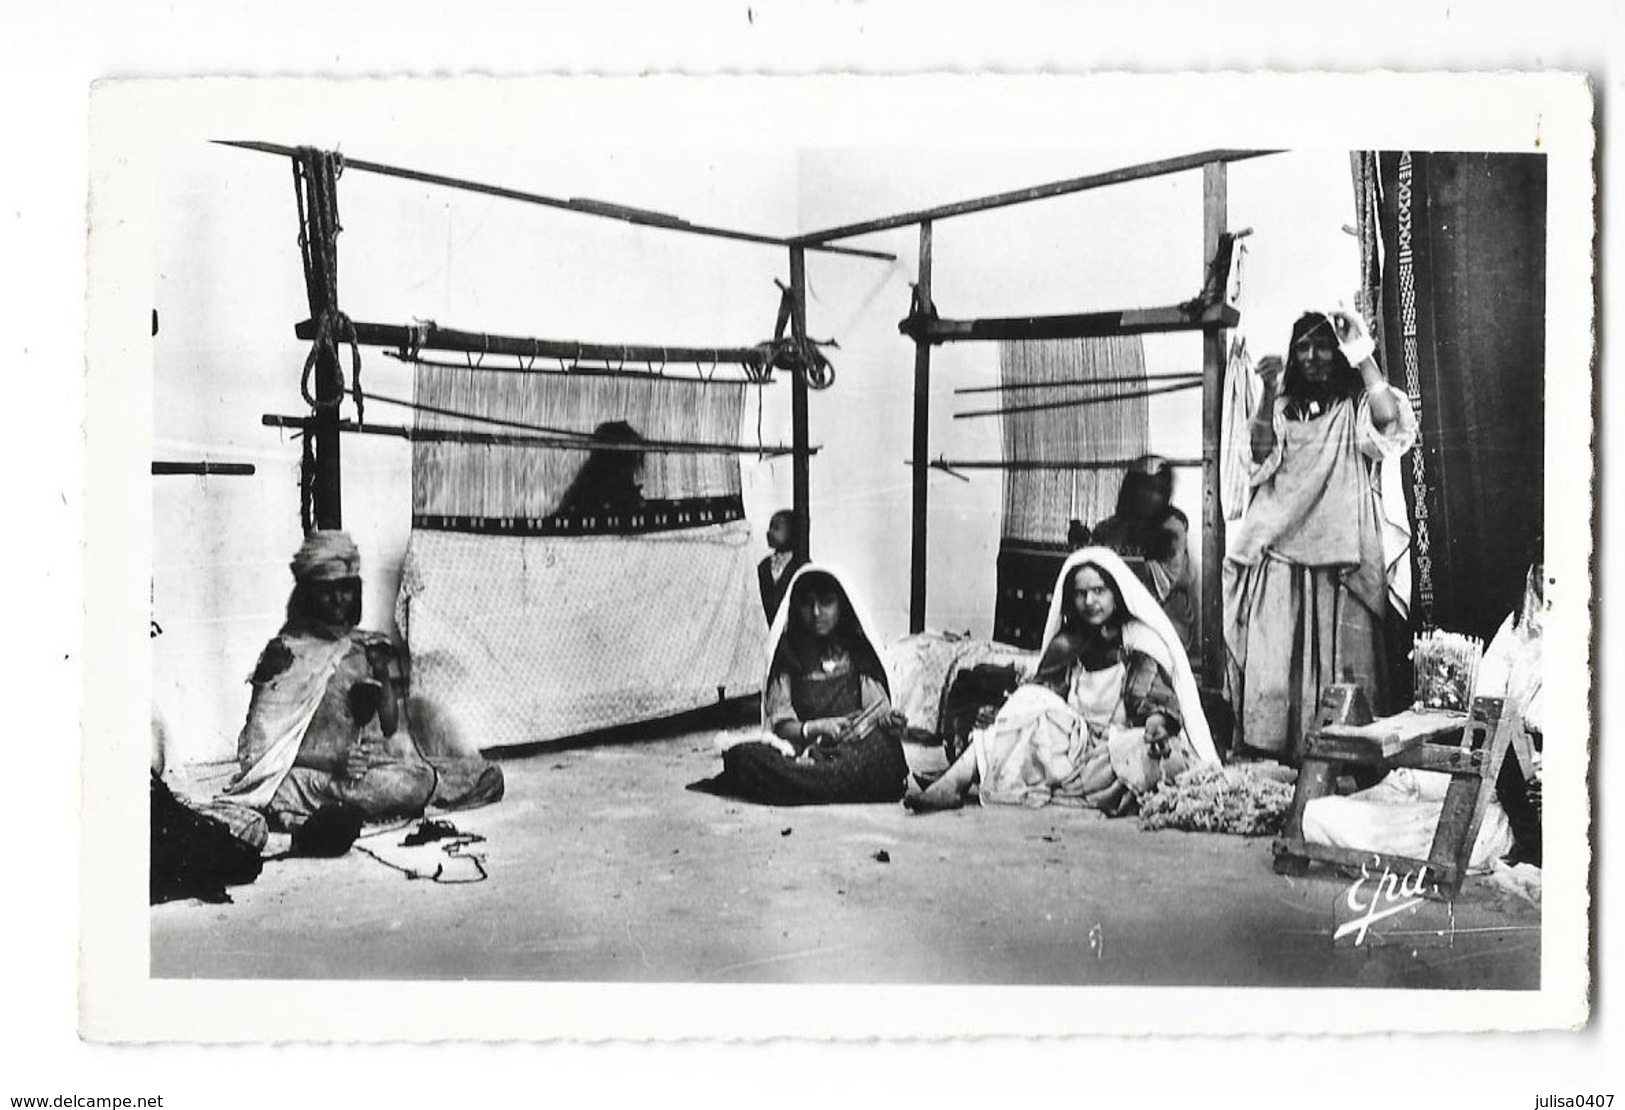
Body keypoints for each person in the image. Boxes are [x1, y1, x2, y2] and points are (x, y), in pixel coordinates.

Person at [1224, 308, 1417, 763]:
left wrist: (1362, 351)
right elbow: (1258, 457)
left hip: (1341, 554)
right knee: (1274, 663)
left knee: (1347, 666)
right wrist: (1267, 390)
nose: (1312, 356)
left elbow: (1390, 419)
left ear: (1337, 352)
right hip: (1282, 549)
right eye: (1303, 347)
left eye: (1323, 345)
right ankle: (1278, 758)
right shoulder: (1280, 407)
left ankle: (1344, 760)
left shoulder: (1353, 408)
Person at [222, 531, 505, 831]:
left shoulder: (362, 646)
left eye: (346, 589)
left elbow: (389, 725)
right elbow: (256, 752)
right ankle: (321, 811)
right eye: (326, 590)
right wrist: (334, 761)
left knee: (478, 775)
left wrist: (382, 670)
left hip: (365, 773)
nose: (338, 599)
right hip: (311, 775)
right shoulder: (284, 653)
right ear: (307, 594)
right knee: (285, 791)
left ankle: (327, 814)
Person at [908, 548, 1218, 814]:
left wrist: (1155, 722)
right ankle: (953, 783)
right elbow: (1044, 696)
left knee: (1162, 760)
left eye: (1099, 591)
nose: (1090, 601)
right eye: (1081, 593)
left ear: (1116, 593)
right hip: (1073, 741)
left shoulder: (1139, 640)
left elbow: (1154, 694)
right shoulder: (1068, 643)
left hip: (1118, 743)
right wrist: (1011, 712)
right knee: (1027, 708)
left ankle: (968, 773)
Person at [1300, 557, 1544, 869]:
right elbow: (1486, 689)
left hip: (1530, 786)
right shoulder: (1519, 624)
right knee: (1410, 779)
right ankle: (1323, 816)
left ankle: (1331, 823)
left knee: (1454, 827)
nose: (1547, 585)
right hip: (1504, 761)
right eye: (1541, 574)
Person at [692, 565, 910, 805]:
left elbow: (876, 714)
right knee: (743, 757)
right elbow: (781, 726)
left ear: (842, 606)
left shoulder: (859, 654)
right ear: (796, 608)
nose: (816, 613)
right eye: (807, 604)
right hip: (799, 752)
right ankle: (832, 782)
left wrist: (889, 722)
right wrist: (817, 728)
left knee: (886, 750)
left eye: (826, 603)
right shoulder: (788, 655)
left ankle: (807, 784)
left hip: (849, 750)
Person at [1091, 455, 1196, 651]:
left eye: (1159, 490)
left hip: (1166, 615)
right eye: (1145, 488)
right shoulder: (1108, 528)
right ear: (1131, 490)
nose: (1153, 497)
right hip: (1118, 613)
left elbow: (1164, 579)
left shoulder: (1172, 527)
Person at [756, 508, 808, 623]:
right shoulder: (764, 566)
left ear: (792, 533)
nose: (769, 532)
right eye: (770, 527)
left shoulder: (802, 565)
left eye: (776, 528)